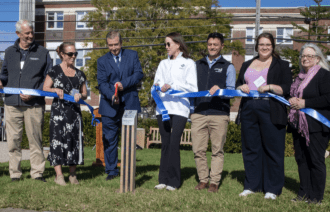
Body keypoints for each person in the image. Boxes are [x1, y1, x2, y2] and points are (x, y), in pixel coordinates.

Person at [0, 19, 52, 182]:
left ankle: (37, 173)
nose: (31, 35)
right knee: (13, 141)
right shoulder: (9, 51)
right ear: (18, 34)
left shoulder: (43, 52)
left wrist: (35, 93)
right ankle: (15, 174)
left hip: (34, 104)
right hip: (12, 104)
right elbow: (4, 74)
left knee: (35, 140)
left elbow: (49, 78)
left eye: (32, 32)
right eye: (27, 33)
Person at [235, 32, 291, 199]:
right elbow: (238, 84)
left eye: (267, 44)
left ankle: (272, 189)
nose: (264, 47)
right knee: (251, 149)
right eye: (261, 45)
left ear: (272, 46)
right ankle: (252, 185)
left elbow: (287, 88)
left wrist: (270, 86)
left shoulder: (282, 65)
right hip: (248, 109)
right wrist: (241, 88)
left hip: (271, 109)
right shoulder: (246, 64)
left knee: (273, 150)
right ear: (256, 46)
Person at [153, 32, 198, 191]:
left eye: (168, 44)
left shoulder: (189, 63)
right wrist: (158, 86)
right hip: (163, 108)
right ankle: (162, 179)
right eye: (165, 44)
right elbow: (156, 84)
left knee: (174, 143)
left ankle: (174, 181)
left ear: (178, 44)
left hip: (180, 109)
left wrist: (173, 87)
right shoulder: (162, 64)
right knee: (165, 143)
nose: (166, 47)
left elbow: (193, 88)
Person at [191, 32, 236, 193]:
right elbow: (190, 88)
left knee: (217, 150)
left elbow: (232, 91)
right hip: (198, 113)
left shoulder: (228, 66)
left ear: (222, 46)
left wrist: (221, 90)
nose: (212, 47)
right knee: (198, 149)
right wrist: (191, 110)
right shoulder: (197, 65)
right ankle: (203, 180)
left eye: (215, 44)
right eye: (210, 44)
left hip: (219, 113)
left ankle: (214, 182)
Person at [97, 30, 143, 181]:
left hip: (129, 103)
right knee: (109, 139)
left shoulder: (132, 55)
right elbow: (102, 83)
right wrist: (112, 95)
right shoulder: (102, 61)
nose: (113, 48)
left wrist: (123, 85)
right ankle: (111, 170)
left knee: (129, 139)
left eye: (116, 44)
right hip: (109, 105)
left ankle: (128, 168)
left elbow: (138, 74)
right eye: (110, 45)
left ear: (121, 43)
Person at [288, 43, 330, 204]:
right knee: (301, 160)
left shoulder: (324, 75)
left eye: (309, 56)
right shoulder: (299, 77)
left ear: (317, 59)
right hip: (298, 125)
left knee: (316, 160)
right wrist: (292, 99)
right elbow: (293, 96)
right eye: (303, 56)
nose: (305, 59)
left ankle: (316, 197)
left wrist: (305, 103)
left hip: (317, 126)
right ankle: (303, 193)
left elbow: (328, 98)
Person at [43, 42, 88, 186]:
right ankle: (59, 176)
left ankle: (73, 175)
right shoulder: (54, 71)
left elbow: (85, 93)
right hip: (58, 114)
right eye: (70, 54)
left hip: (74, 114)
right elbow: (45, 88)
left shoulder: (80, 74)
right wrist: (54, 89)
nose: (73, 56)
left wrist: (80, 96)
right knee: (58, 142)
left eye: (75, 54)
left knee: (73, 142)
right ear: (62, 54)